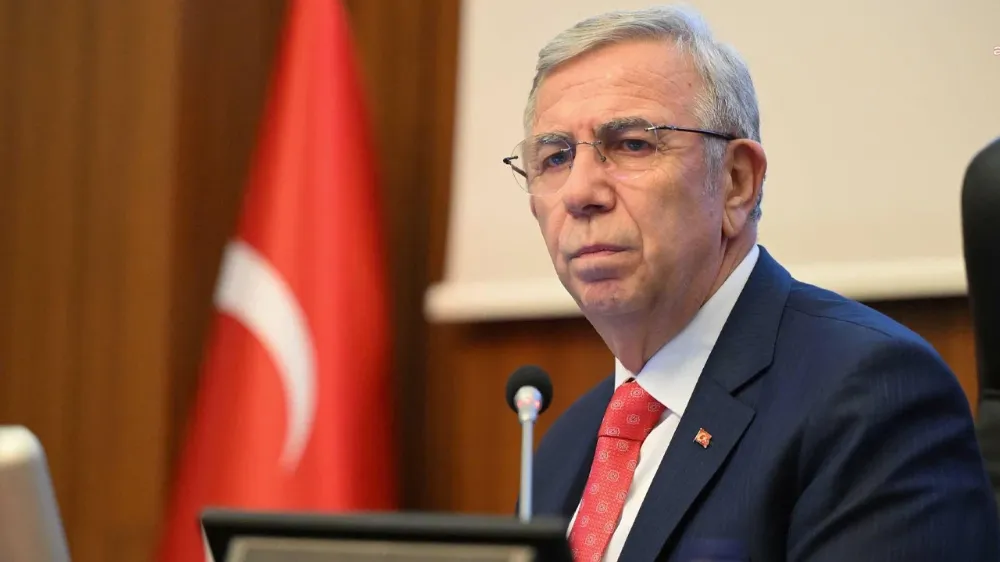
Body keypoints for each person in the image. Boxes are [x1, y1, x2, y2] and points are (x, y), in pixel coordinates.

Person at [505, 5, 1000, 561]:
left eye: (632, 144)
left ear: (737, 182)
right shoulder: (565, 448)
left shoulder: (869, 398)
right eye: (555, 158)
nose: (579, 192)